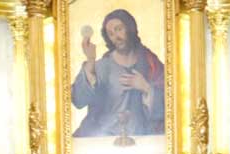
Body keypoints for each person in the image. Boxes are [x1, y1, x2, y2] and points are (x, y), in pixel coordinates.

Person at [70, 9, 166, 138]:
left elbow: (171, 101)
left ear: (130, 28)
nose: (116, 37)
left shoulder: (150, 63)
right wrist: (90, 60)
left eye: (119, 29)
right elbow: (79, 100)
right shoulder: (102, 66)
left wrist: (146, 88)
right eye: (111, 34)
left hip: (141, 138)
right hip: (104, 138)